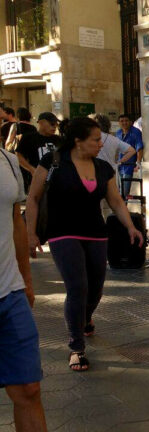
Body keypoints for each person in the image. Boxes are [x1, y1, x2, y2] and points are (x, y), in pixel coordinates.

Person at [26, 117, 143, 372]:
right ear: (78, 141)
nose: (101, 144)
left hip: (95, 232)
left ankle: (85, 318)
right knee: (77, 287)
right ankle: (76, 347)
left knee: (96, 289)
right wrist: (30, 233)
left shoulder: (103, 168)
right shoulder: (54, 162)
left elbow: (116, 202)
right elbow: (33, 198)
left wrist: (131, 226)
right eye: (96, 139)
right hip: (62, 232)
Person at [0, 148, 47, 431]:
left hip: (11, 292)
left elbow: (15, 220)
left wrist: (26, 279)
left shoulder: (6, 159)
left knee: (29, 388)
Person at [15, 112, 62, 192]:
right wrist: (32, 169)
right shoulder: (29, 137)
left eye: (56, 124)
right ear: (41, 123)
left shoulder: (59, 139)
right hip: (37, 182)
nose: (54, 127)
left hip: (57, 182)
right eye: (52, 124)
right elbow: (18, 155)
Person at [115, 113, 144, 195]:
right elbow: (116, 148)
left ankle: (123, 206)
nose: (124, 123)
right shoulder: (118, 133)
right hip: (120, 166)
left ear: (130, 122)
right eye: (122, 121)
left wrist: (138, 162)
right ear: (119, 123)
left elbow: (139, 147)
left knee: (124, 191)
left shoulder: (136, 132)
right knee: (119, 190)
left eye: (126, 121)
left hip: (130, 166)